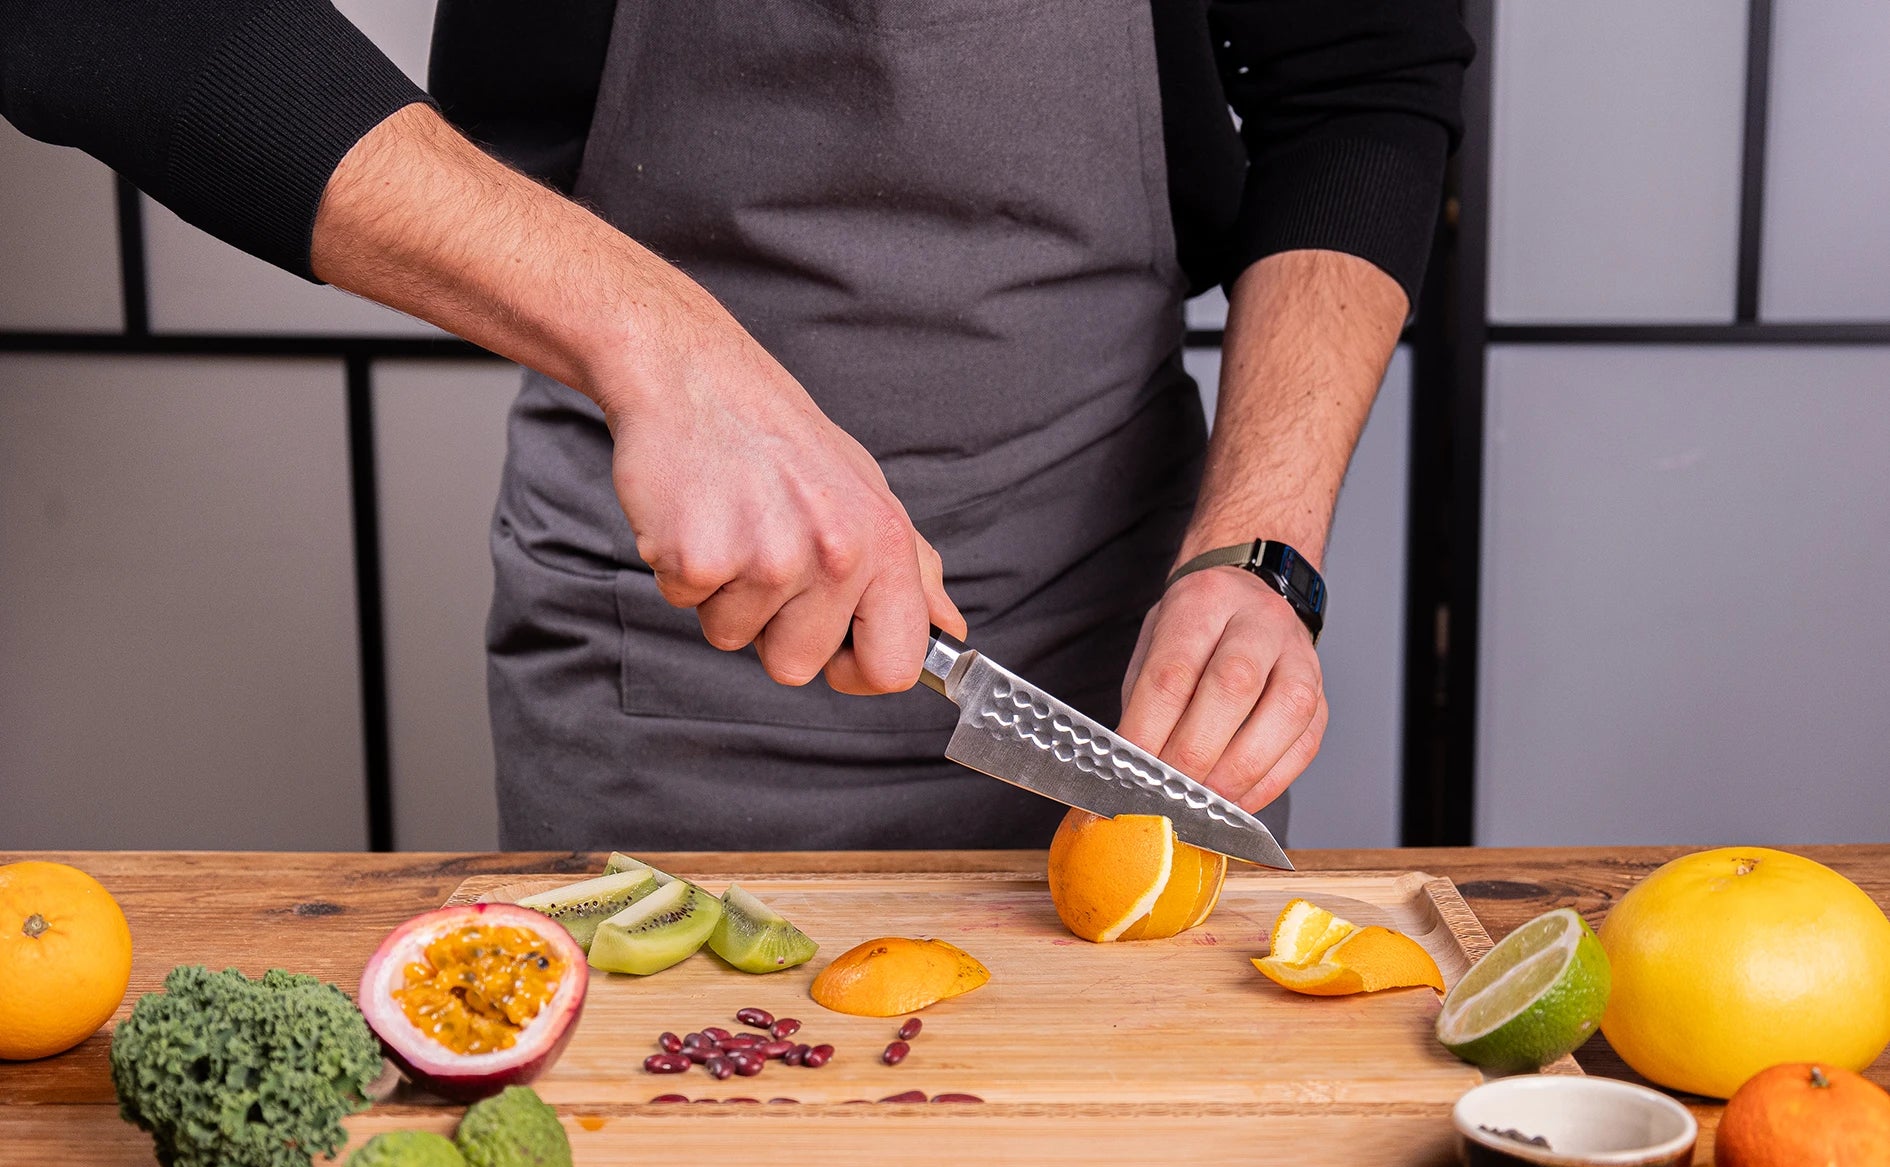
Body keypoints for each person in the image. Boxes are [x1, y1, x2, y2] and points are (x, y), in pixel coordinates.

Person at [0, 1, 1471, 850]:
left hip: (1136, 680)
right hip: (660, 664)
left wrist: (1259, 549)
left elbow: (1358, 83)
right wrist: (658, 344)